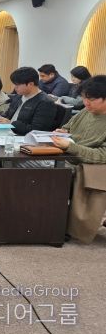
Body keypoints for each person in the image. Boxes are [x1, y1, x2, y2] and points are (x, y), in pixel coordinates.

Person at [50, 76, 106, 243]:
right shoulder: (85, 112)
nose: (86, 102)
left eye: (92, 99)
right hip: (70, 156)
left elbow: (102, 155)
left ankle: (56, 223)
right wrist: (62, 132)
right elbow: (68, 128)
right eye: (83, 97)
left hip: (92, 166)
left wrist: (71, 147)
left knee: (50, 177)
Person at [0, 67, 56, 135]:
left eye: (17, 85)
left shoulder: (45, 103)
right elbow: (8, 116)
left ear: (30, 84)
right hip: (7, 132)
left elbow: (36, 130)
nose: (15, 87)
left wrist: (11, 124)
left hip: (22, 137)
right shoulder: (18, 96)